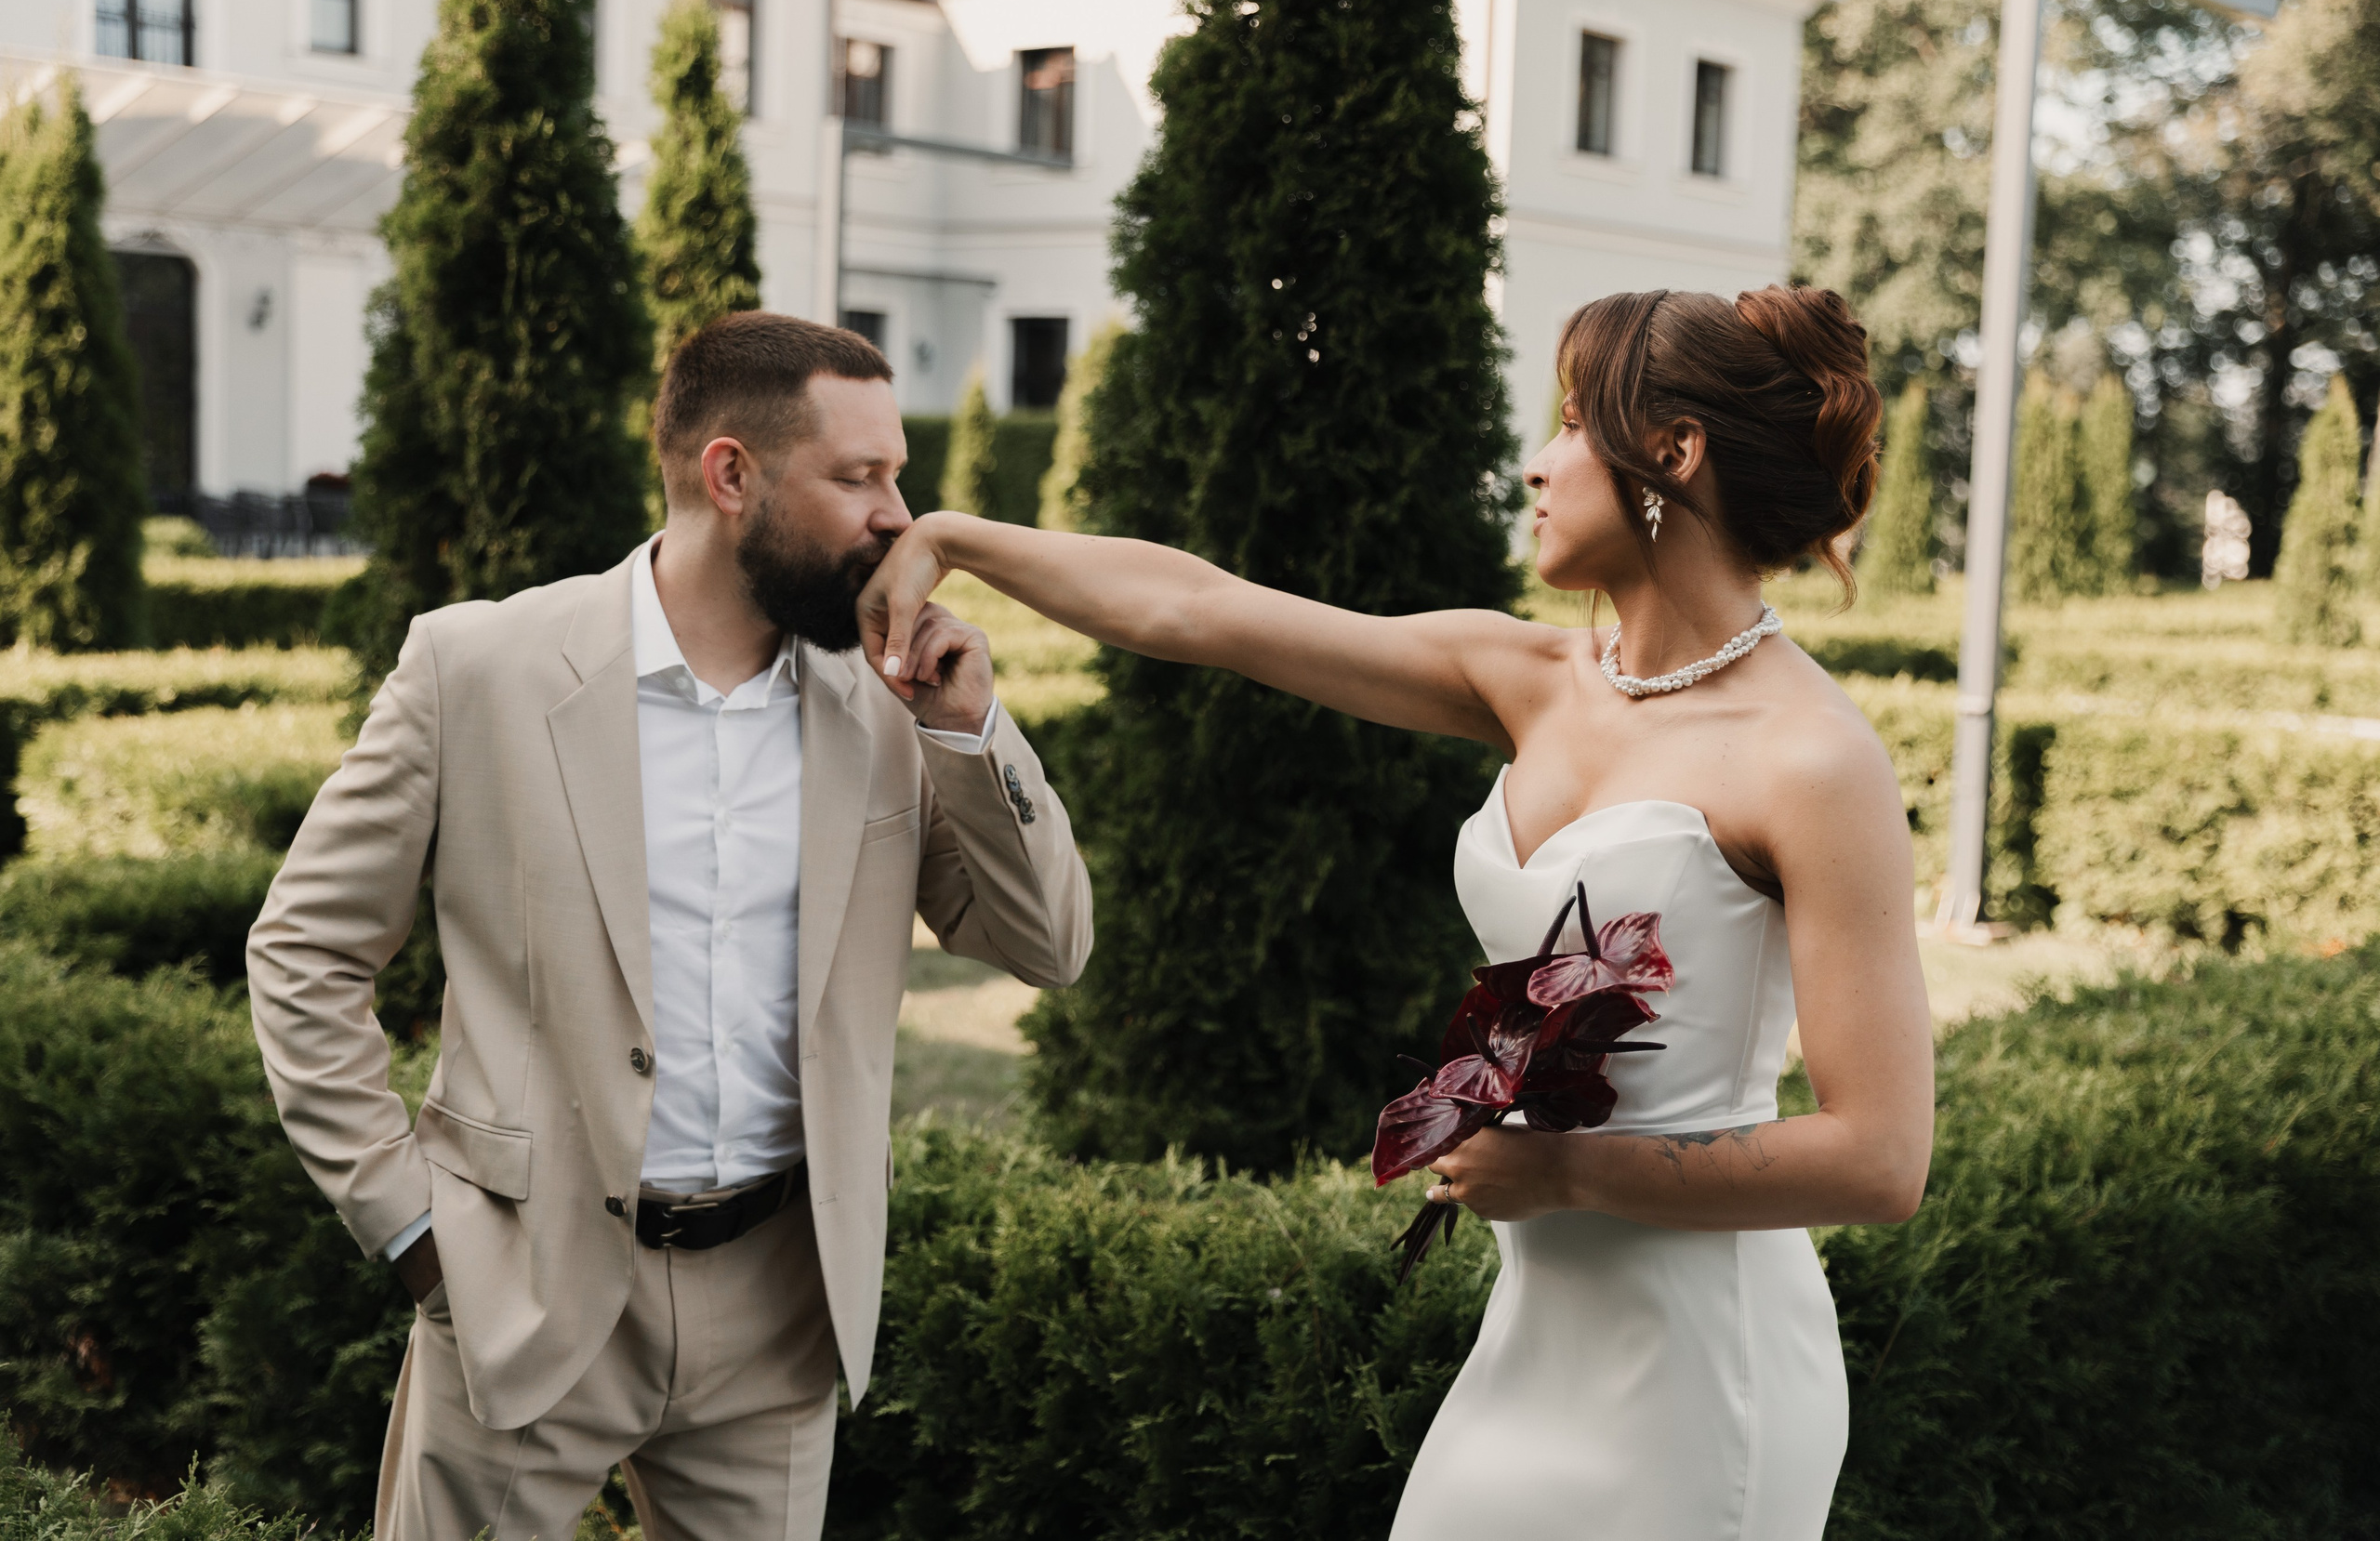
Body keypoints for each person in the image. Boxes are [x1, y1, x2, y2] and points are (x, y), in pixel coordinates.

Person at [859, 286, 1934, 1538]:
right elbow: (1200, 610)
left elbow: (1879, 1159)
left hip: (1709, 1371)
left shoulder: (1812, 759)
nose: (1536, 464)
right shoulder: (1528, 677)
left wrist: (1564, 1170)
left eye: (1573, 423)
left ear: (1675, 453)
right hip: (1539, 1339)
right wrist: (955, 539)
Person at [248, 312, 1092, 1541]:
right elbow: (304, 953)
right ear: (731, 475)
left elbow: (1049, 944)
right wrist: (415, 1229)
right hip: (523, 1289)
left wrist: (969, 730)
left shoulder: (889, 702)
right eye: (859, 477)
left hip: (780, 1309)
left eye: (898, 476)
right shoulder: (476, 667)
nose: (900, 519)